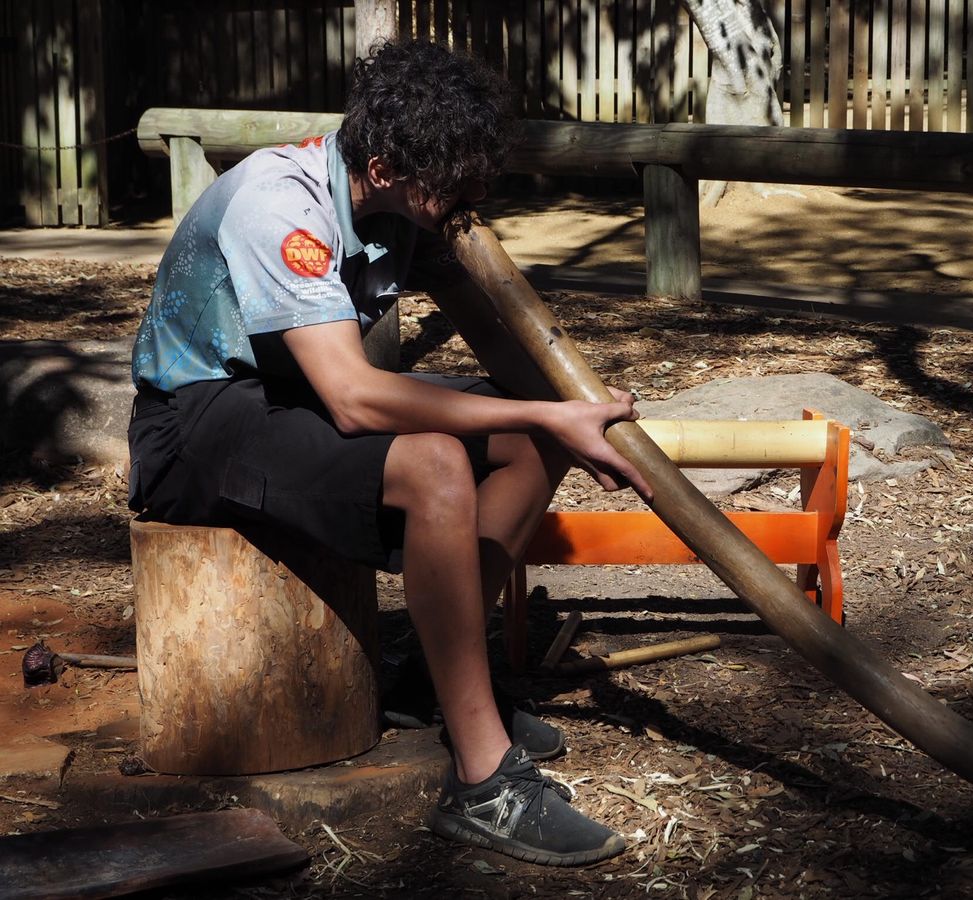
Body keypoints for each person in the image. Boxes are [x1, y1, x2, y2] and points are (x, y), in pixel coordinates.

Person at [127, 39, 650, 866]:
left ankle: (430, 677)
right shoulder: (280, 203)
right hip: (192, 423)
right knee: (434, 463)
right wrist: (549, 412)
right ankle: (483, 782)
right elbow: (353, 396)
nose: (476, 198)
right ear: (384, 166)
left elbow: (503, 348)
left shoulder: (407, 206)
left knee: (527, 439)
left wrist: (572, 413)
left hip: (286, 401)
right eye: (461, 183)